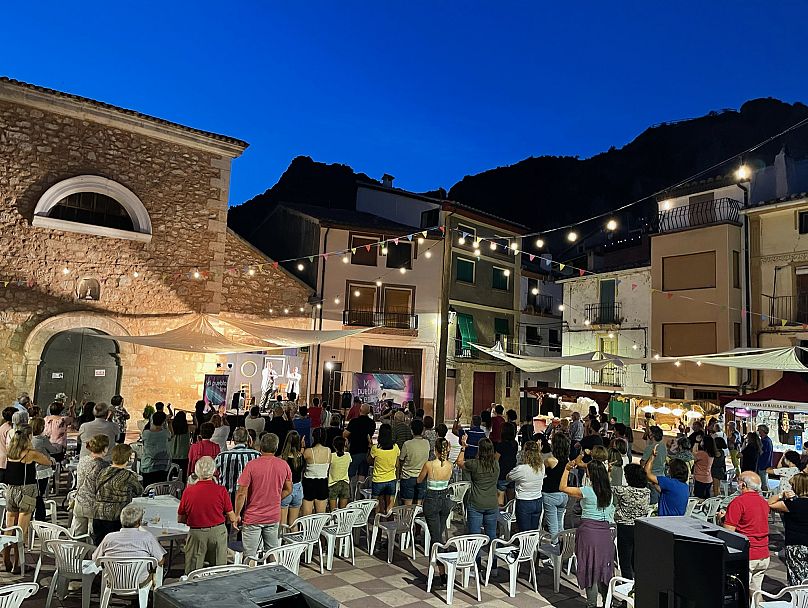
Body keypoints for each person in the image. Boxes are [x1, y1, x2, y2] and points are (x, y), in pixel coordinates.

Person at [560, 458, 615, 608]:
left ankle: (591, 603)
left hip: (589, 533)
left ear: (591, 474)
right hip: (605, 534)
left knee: (590, 568)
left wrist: (566, 469)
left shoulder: (587, 491)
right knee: (604, 568)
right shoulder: (608, 492)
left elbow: (563, 487)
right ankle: (608, 601)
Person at [2, 425, 52, 572]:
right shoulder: (30, 454)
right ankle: (18, 564)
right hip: (26, 491)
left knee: (9, 529)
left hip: (11, 491)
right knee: (21, 531)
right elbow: (47, 461)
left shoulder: (10, 453)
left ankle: (6, 560)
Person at [235, 433, 292, 558]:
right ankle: (272, 570)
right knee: (272, 552)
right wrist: (276, 498)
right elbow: (288, 489)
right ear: (276, 447)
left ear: (261, 446)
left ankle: (251, 571)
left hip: (253, 517)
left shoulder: (251, 465)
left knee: (250, 556)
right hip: (273, 516)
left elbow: (241, 493)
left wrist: (237, 514)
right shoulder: (284, 465)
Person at [178, 456, 238, 572]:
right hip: (217, 532)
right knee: (218, 569)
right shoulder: (221, 490)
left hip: (196, 533)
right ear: (213, 471)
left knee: (193, 570)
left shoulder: (188, 492)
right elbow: (232, 517)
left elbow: (181, 518)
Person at [722, 471, 770, 596]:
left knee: (741, 593)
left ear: (743, 485)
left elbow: (728, 532)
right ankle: (757, 604)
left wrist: (721, 519)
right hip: (763, 553)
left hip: (748, 553)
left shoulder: (738, 502)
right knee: (756, 592)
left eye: (738, 481)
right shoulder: (763, 502)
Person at [92, 504, 166, 583]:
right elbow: (161, 561)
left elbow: (95, 558)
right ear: (139, 522)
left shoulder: (109, 538)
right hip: (139, 583)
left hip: (113, 582)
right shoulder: (147, 537)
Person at [418, 437, 454, 586]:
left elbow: (419, 480)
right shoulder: (450, 465)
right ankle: (440, 570)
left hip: (432, 500)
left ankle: (441, 570)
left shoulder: (429, 464)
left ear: (435, 450)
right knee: (438, 534)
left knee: (436, 538)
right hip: (445, 499)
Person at [456, 437, 499, 563]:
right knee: (492, 535)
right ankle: (493, 564)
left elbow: (459, 462)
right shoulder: (495, 465)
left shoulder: (475, 464)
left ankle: (476, 564)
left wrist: (463, 447)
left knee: (475, 536)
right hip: (492, 503)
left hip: (476, 502)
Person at [93, 444, 143, 545]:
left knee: (100, 546)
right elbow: (139, 490)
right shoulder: (128, 475)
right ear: (128, 458)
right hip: (115, 516)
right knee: (115, 547)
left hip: (98, 513)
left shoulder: (102, 471)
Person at [767, 471, 808, 586]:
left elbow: (769, 504)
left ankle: (800, 596)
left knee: (797, 576)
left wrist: (781, 495)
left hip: (796, 544)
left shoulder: (792, 504)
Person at [612, 463, 650, 580]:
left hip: (625, 527)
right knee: (636, 559)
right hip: (640, 527)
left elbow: (605, 487)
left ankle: (627, 584)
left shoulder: (624, 491)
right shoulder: (646, 492)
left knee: (625, 560)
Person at [72, 434, 111, 537]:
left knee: (78, 536)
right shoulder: (104, 465)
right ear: (104, 448)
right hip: (94, 505)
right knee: (93, 536)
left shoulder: (83, 460)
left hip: (80, 501)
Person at [215, 427, 260, 508]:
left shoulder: (221, 456)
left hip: (226, 498)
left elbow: (213, 474)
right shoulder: (256, 455)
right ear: (247, 439)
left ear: (233, 439)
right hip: (249, 498)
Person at [507, 440, 544, 532]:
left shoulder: (521, 469)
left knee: (524, 532)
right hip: (538, 500)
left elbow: (508, 477)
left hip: (524, 501)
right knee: (533, 531)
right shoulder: (541, 466)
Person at [645, 446, 689, 516]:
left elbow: (647, 473)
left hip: (664, 520)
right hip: (678, 519)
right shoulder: (685, 486)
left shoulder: (669, 483)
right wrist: (654, 483)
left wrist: (652, 457)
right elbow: (668, 493)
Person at [542, 432, 570, 542]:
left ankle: (555, 546)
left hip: (550, 494)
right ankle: (563, 545)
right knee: (559, 523)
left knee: (553, 526)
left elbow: (540, 468)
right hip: (563, 494)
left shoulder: (550, 460)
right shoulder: (567, 461)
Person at [30, 417, 59, 521]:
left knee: (34, 494)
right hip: (42, 470)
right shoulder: (42, 440)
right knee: (39, 495)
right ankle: (40, 517)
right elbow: (53, 450)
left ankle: (34, 516)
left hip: (31, 470)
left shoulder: (28, 439)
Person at [370, 423, 400, 514]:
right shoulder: (395, 447)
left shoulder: (375, 448)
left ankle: (378, 521)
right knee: (390, 505)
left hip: (378, 480)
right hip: (391, 479)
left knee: (377, 506)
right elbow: (397, 464)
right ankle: (388, 519)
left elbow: (369, 461)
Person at [400, 419, 430, 506]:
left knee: (408, 505)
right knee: (419, 504)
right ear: (422, 430)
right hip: (422, 476)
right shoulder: (427, 443)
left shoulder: (407, 444)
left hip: (408, 476)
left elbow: (401, 459)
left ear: (411, 430)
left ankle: (408, 515)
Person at [344, 403, 374, 489]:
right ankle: (359, 492)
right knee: (362, 473)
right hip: (366, 451)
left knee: (351, 473)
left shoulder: (354, 422)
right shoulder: (372, 423)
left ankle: (350, 491)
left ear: (360, 410)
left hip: (354, 450)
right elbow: (369, 436)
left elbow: (345, 434)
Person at [277, 430, 304, 526]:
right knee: (293, 524)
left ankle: (282, 536)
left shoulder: (281, 459)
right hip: (298, 489)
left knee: (282, 523)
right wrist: (303, 446)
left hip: (286, 489)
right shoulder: (301, 457)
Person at [301, 427, 330, 515]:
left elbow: (299, 461)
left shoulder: (308, 451)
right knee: (320, 516)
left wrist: (302, 446)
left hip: (309, 483)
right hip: (323, 482)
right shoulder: (328, 450)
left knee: (306, 516)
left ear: (313, 437)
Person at [141, 411, 171, 486]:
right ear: (163, 422)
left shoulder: (146, 433)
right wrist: (167, 424)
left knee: (147, 488)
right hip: (163, 465)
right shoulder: (165, 433)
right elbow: (171, 435)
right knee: (161, 489)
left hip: (148, 465)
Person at [641, 426, 667, 504]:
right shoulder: (663, 446)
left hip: (651, 478)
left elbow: (642, 463)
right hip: (661, 475)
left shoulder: (650, 448)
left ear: (652, 435)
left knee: (653, 502)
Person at [495, 422, 519, 505]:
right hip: (512, 472)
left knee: (500, 494)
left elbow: (496, 460)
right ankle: (510, 510)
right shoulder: (515, 444)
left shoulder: (500, 445)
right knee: (511, 497)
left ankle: (501, 510)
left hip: (502, 473)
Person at [328, 436, 351, 510]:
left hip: (333, 484)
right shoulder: (348, 455)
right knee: (342, 511)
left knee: (333, 511)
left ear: (334, 445)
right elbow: (346, 452)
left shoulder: (331, 456)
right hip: (345, 483)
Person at [170, 411, 191, 480]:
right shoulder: (188, 428)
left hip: (172, 454)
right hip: (184, 454)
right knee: (182, 475)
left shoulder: (171, 428)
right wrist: (194, 417)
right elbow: (196, 425)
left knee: (172, 475)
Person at [757, 425, 774, 491]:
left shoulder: (764, 441)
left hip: (763, 463)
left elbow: (761, 452)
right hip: (766, 463)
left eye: (759, 430)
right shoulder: (768, 440)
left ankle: (765, 495)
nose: (758, 431)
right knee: (765, 481)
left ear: (762, 431)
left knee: (763, 483)